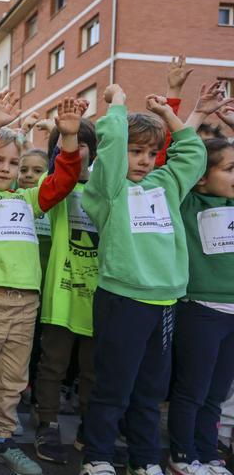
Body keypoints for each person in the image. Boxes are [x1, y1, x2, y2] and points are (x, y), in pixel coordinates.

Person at [79, 82, 227, 475]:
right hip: (123, 300)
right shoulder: (108, 191)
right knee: (114, 387)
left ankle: (144, 460)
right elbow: (109, 153)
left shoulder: (165, 184)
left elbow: (192, 155)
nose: (143, 160)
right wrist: (118, 106)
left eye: (149, 153)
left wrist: (171, 117)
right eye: (135, 151)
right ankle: (97, 457)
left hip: (164, 302)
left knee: (150, 390)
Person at [0, 96, 84, 475]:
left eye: (14, 162)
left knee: (12, 379)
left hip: (26, 303)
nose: (6, 168)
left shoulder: (28, 198)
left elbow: (64, 180)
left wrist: (68, 138)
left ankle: (2, 441)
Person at [33, 116, 99, 465]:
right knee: (52, 366)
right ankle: (47, 423)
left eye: (79, 142)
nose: (71, 147)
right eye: (61, 143)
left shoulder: (105, 188)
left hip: (98, 297)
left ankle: (90, 429)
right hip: (61, 293)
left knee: (92, 369)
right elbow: (66, 174)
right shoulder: (52, 184)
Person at [167, 135, 234, 475]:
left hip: (233, 315)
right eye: (230, 169)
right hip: (201, 311)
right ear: (202, 176)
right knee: (193, 388)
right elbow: (177, 164)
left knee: (216, 393)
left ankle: (207, 454)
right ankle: (181, 454)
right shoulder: (187, 202)